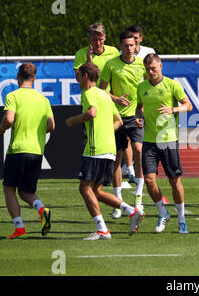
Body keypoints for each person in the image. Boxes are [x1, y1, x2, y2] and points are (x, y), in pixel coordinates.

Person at [66, 62, 145, 240]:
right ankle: (131, 211)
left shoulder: (89, 93)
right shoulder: (104, 95)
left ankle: (102, 229)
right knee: (97, 191)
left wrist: (74, 120)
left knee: (84, 188)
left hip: (95, 148)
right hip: (109, 148)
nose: (76, 78)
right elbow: (118, 121)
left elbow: (92, 113)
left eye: (78, 75)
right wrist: (105, 131)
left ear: (86, 76)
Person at [136, 54, 193, 234]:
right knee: (149, 179)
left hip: (168, 140)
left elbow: (188, 105)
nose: (151, 72)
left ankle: (182, 219)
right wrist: (139, 116)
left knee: (174, 181)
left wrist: (173, 109)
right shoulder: (142, 87)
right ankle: (163, 213)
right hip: (149, 141)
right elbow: (139, 106)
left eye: (153, 68)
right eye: (147, 69)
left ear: (161, 66)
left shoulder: (172, 85)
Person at [0, 62, 55, 239]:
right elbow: (52, 125)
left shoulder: (13, 96)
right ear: (34, 78)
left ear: (17, 76)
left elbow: (9, 118)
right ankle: (42, 209)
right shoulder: (43, 99)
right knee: (26, 191)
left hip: (18, 149)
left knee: (9, 189)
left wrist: (1, 128)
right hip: (36, 151)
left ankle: (19, 228)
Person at [100, 31, 146, 218]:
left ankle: (138, 198)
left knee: (139, 151)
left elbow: (150, 88)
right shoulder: (111, 65)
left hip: (136, 117)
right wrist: (116, 99)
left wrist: (143, 111)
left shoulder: (143, 65)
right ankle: (118, 203)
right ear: (120, 46)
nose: (129, 48)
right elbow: (102, 90)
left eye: (132, 45)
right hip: (116, 117)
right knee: (116, 159)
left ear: (136, 45)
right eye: (126, 45)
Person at [121, 24, 157, 180]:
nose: (131, 45)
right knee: (126, 141)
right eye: (129, 41)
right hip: (124, 107)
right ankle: (130, 170)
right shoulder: (119, 57)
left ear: (140, 39)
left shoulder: (148, 53)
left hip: (140, 105)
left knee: (141, 144)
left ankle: (140, 171)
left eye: (135, 40)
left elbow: (151, 78)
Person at [73, 22, 119, 91]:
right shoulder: (81, 54)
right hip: (89, 96)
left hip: (108, 97)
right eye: (95, 40)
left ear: (105, 38)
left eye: (100, 39)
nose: (98, 43)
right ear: (89, 38)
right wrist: (89, 62)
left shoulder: (114, 52)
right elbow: (78, 79)